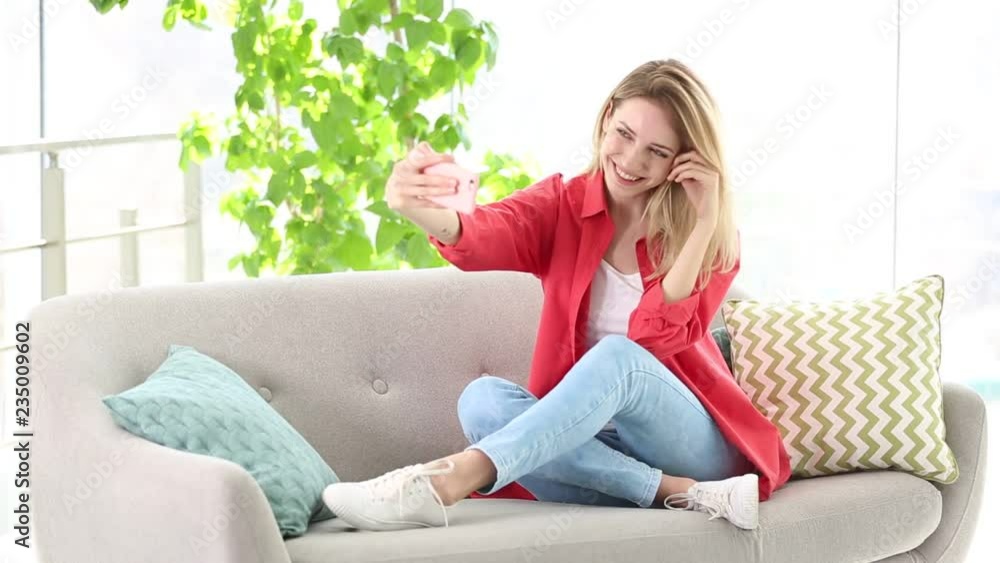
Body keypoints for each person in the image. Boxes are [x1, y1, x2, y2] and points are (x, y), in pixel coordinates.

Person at [323, 59, 792, 532]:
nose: (631, 162)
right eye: (625, 135)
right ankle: (674, 493)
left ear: (683, 161)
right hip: (586, 445)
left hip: (688, 442)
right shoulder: (565, 205)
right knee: (482, 402)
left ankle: (445, 482)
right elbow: (485, 233)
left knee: (619, 358)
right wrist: (423, 209)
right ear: (607, 116)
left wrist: (706, 220)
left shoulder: (708, 239)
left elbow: (652, 343)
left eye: (656, 151)